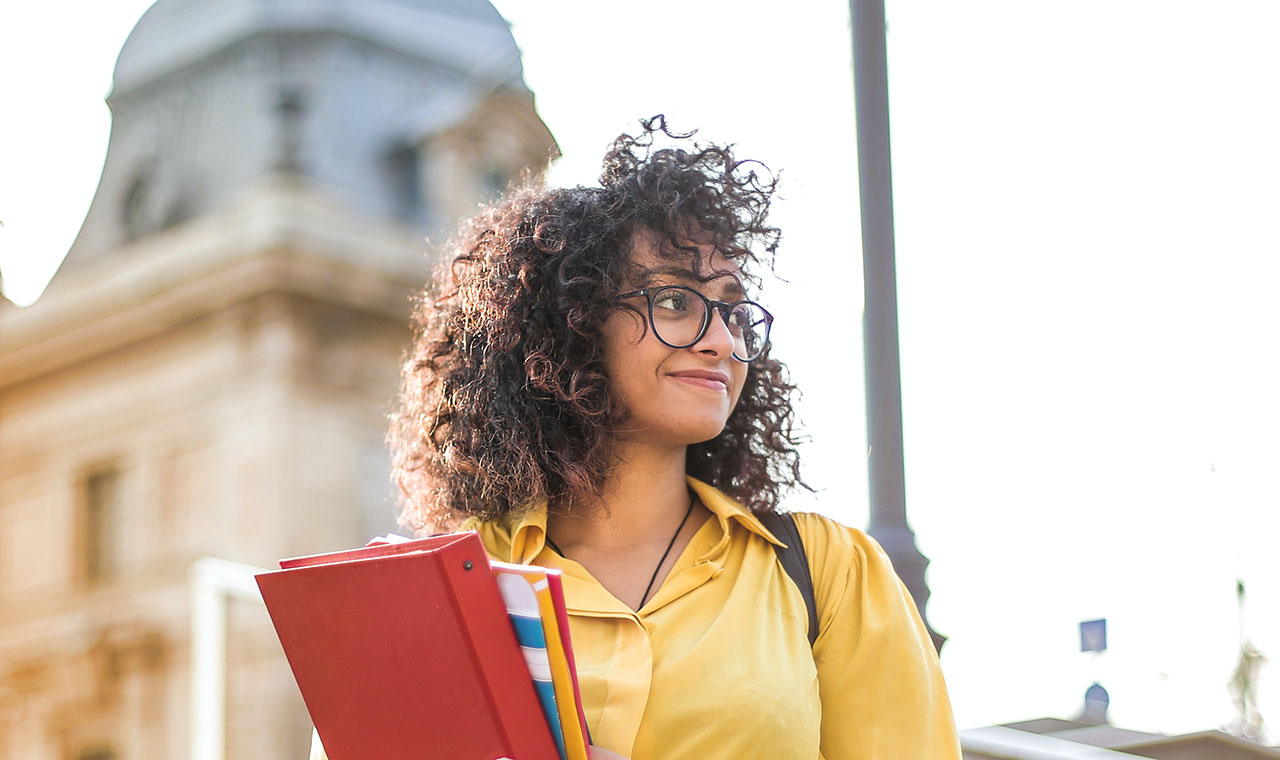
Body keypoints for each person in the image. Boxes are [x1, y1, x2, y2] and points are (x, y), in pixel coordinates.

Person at [310, 116, 960, 759]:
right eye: (674, 302)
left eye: (733, 309)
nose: (720, 341)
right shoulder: (441, 591)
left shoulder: (827, 572)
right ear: (574, 325)